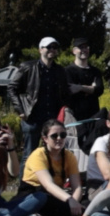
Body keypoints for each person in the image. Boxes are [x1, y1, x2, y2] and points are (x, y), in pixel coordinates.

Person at [8, 37, 71, 175]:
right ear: (40, 49)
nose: (52, 50)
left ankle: (47, 187)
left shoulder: (59, 70)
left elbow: (64, 93)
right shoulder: (28, 67)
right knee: (29, 155)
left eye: (55, 47)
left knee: (52, 154)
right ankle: (24, 189)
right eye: (49, 47)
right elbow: (12, 88)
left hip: (52, 119)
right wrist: (20, 110)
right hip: (32, 118)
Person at [18, 119, 83, 216]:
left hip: (55, 195)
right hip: (33, 194)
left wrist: (74, 202)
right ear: (45, 139)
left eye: (63, 135)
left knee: (85, 203)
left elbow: (77, 186)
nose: (59, 138)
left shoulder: (69, 156)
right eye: (54, 136)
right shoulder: (38, 155)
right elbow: (48, 185)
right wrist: (70, 200)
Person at [0, 112, 45, 216]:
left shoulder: (1, 149)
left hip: (0, 203)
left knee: (40, 197)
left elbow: (14, 172)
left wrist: (10, 147)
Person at [64, 38, 105, 123]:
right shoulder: (68, 71)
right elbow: (70, 90)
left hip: (93, 115)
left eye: (86, 47)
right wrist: (91, 88)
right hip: (74, 116)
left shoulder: (95, 71)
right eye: (81, 47)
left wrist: (80, 87)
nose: (84, 50)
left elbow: (99, 90)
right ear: (74, 51)